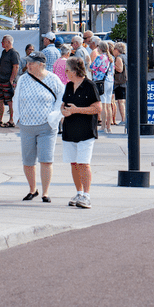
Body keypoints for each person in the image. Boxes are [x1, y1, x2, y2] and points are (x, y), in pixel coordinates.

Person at [14, 51, 60, 203]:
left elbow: (61, 98)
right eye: (27, 63)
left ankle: (45, 192)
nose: (28, 66)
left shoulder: (53, 79)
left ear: (41, 65)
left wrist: (54, 117)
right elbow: (17, 98)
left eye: (31, 63)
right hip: (26, 125)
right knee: (28, 161)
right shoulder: (23, 79)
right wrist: (17, 118)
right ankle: (32, 189)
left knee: (46, 160)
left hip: (46, 126)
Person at [60, 56, 101, 209]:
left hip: (86, 131)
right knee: (74, 163)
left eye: (68, 70)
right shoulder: (69, 86)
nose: (65, 73)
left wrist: (77, 110)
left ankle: (87, 195)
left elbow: (98, 108)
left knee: (84, 163)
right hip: (70, 130)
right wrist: (63, 112)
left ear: (75, 70)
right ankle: (78, 192)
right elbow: (63, 104)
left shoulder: (90, 86)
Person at [0, 36, 21, 128]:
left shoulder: (14, 53)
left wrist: (11, 79)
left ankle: (11, 120)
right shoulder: (4, 52)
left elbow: (16, 66)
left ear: (8, 42)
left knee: (10, 101)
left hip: (8, 80)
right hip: (1, 80)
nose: (2, 43)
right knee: (0, 100)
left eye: (3, 41)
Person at [109, 42, 128, 126]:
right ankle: (125, 118)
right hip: (126, 80)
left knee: (121, 101)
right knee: (123, 101)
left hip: (120, 82)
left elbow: (119, 69)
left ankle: (124, 119)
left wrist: (112, 65)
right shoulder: (126, 57)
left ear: (117, 50)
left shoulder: (119, 58)